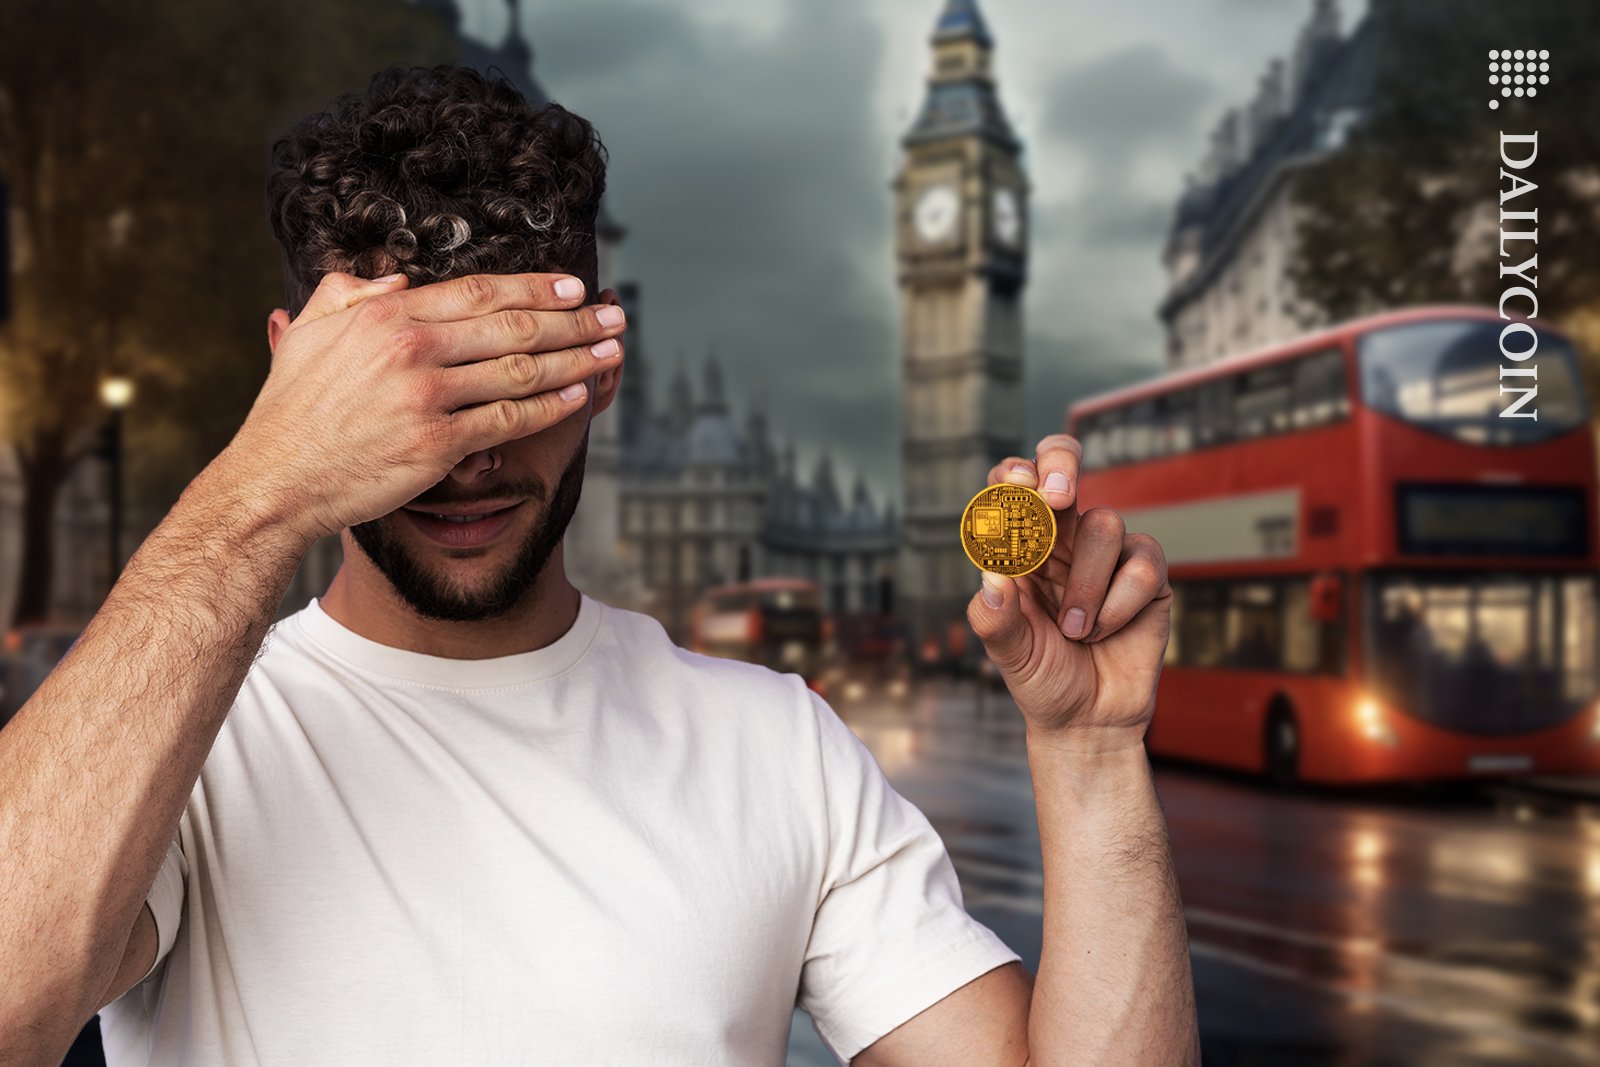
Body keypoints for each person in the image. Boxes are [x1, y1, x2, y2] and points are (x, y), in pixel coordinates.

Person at [0, 65, 1197, 1066]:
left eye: (516, 379)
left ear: (605, 359)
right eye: (409, 387)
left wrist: (1089, 754)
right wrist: (257, 490)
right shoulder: (182, 746)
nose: (465, 459)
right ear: (297, 375)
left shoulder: (776, 746)